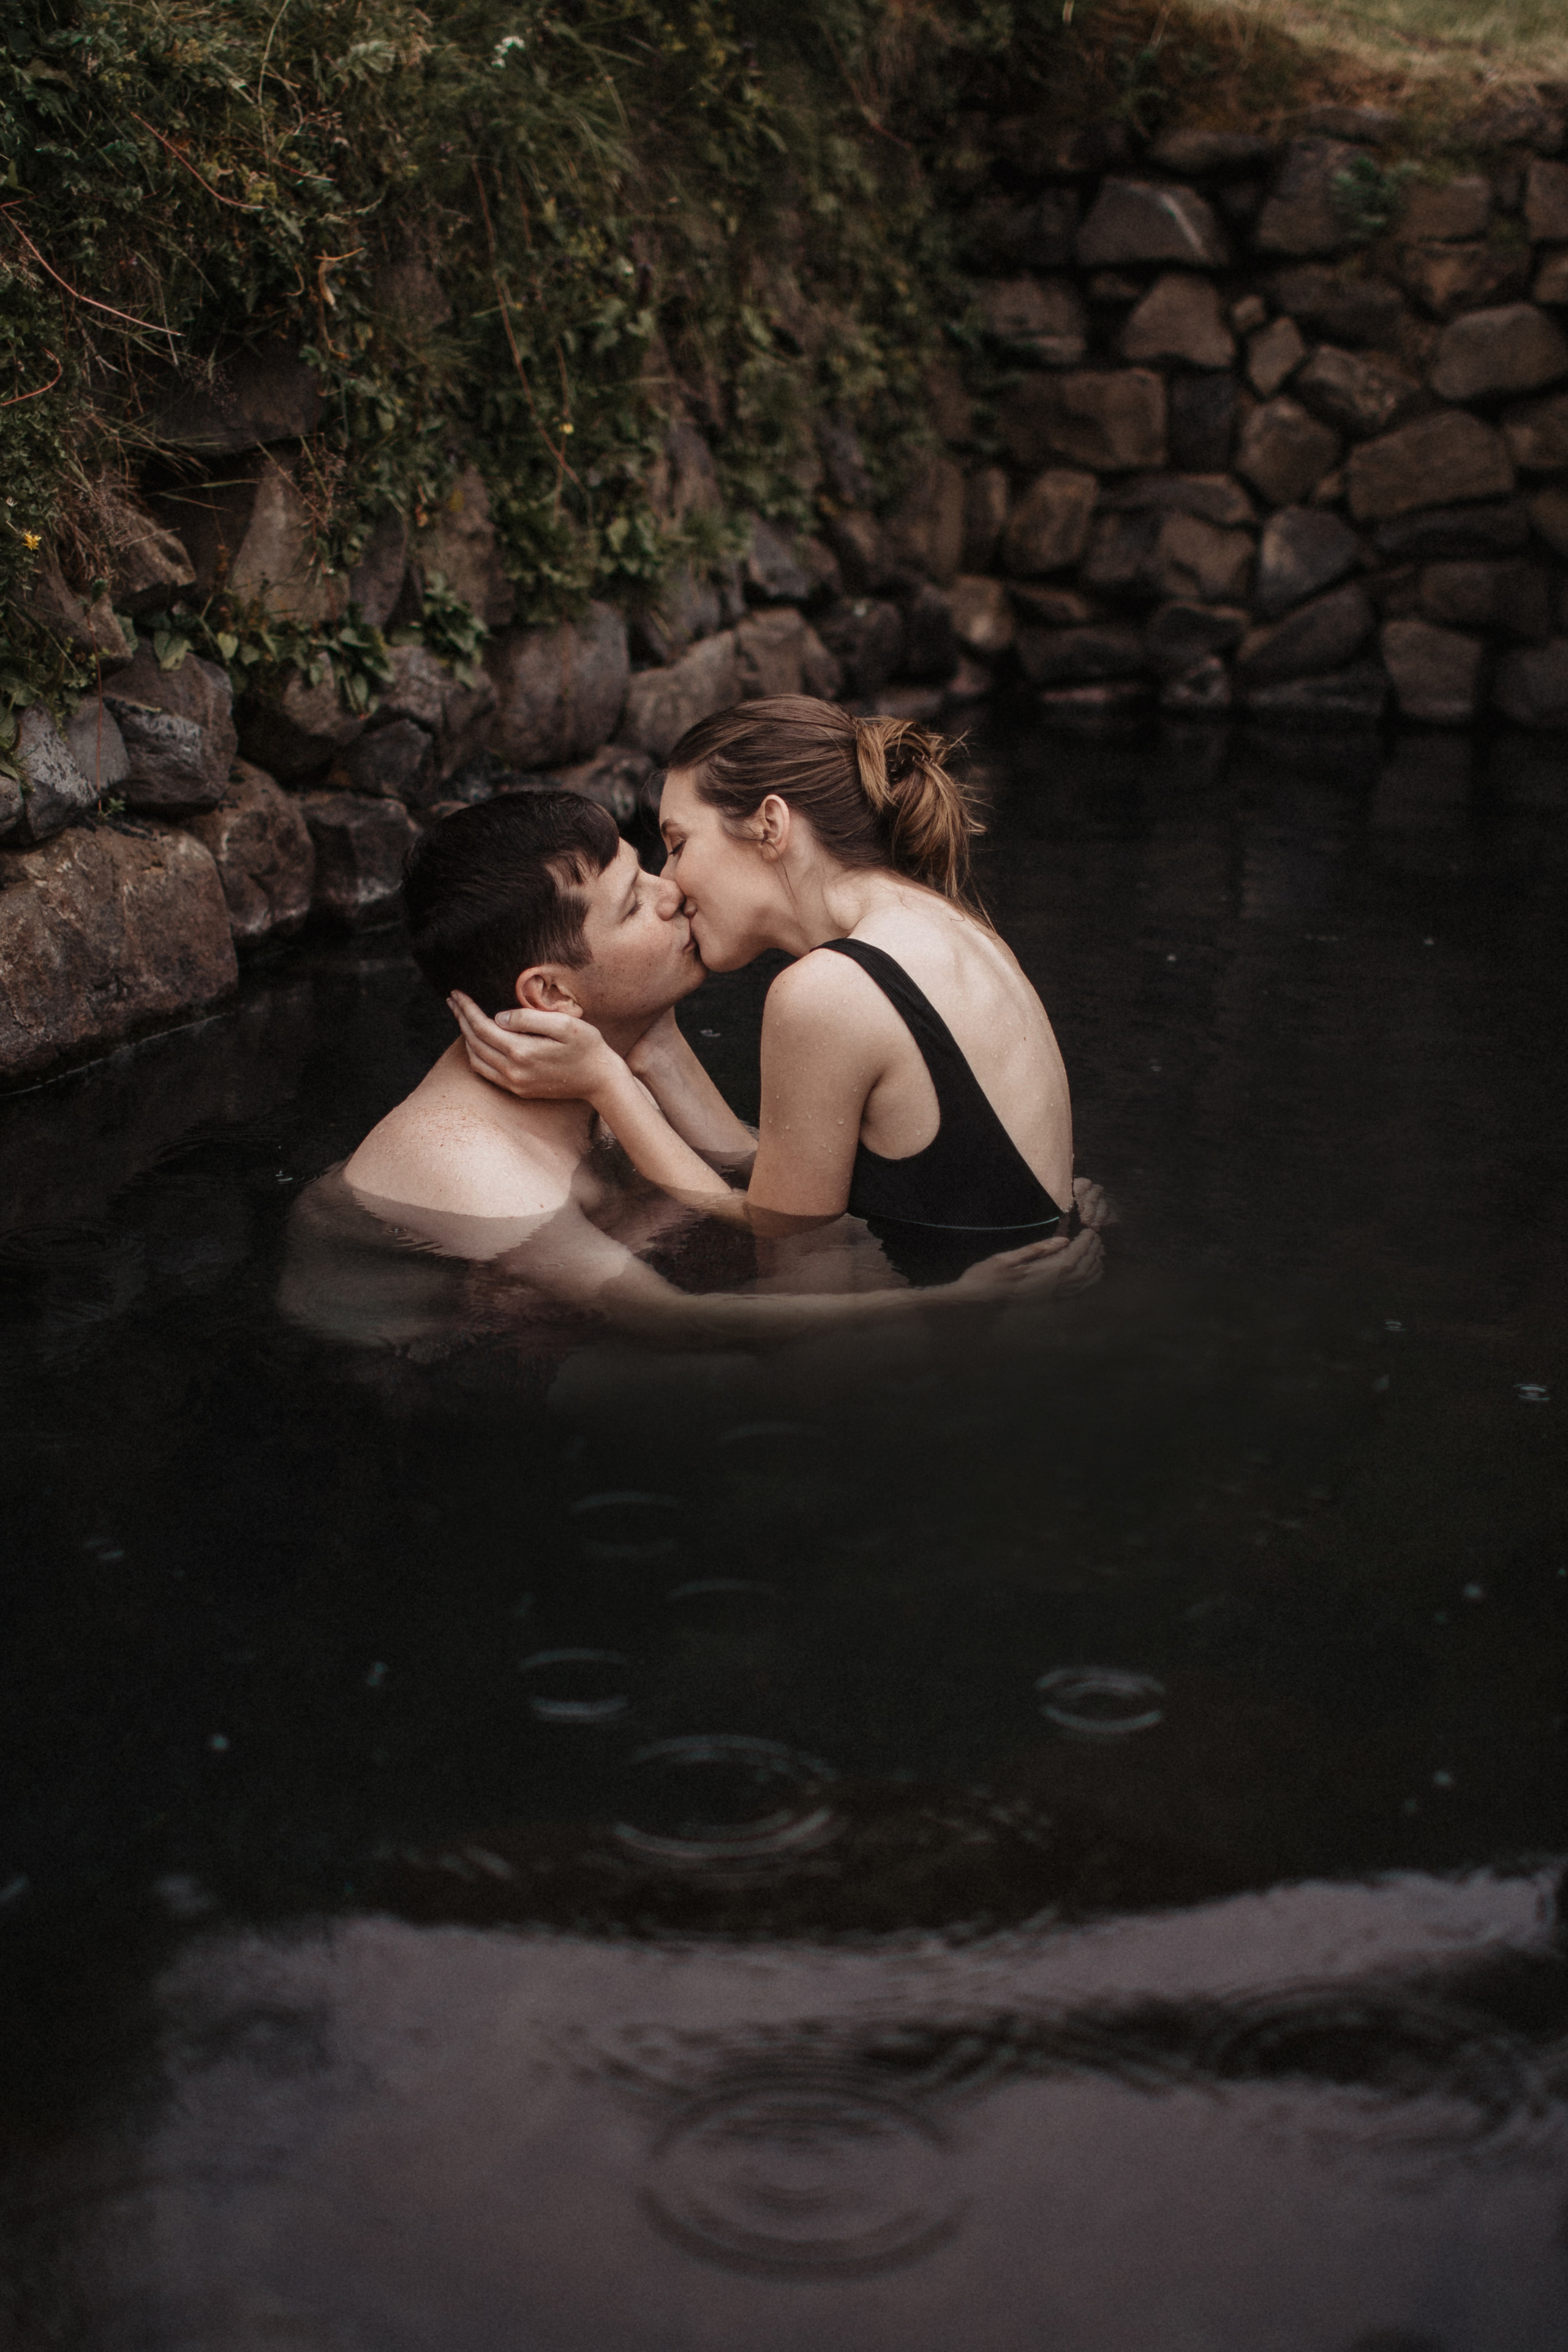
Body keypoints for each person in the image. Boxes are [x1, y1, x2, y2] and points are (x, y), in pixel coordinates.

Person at [295, 788, 1101, 1353]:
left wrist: (1011, 1203)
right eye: (633, 903)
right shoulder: (473, 1166)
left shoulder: (595, 1056)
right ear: (550, 994)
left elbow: (777, 1190)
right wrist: (961, 1300)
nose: (674, 891)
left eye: (650, 865)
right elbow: (680, 1327)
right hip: (436, 1374)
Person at [451, 696, 1090, 1284]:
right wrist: (655, 1051)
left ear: (769, 826)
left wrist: (607, 1085)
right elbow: (797, 1182)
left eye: (677, 845)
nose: (668, 886)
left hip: (941, 1354)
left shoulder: (827, 990)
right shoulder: (950, 927)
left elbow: (780, 1233)